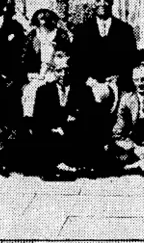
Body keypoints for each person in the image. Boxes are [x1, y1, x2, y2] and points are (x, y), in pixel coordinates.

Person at [32, 51, 96, 179]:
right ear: (52, 71)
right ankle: (55, 167)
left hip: (74, 138)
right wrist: (57, 127)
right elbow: (38, 120)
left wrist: (64, 127)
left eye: (66, 70)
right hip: (51, 137)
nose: (63, 75)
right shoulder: (43, 92)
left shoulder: (84, 90)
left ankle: (67, 166)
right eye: (59, 70)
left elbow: (89, 119)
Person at [71, 0, 138, 107]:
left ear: (111, 3)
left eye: (105, 0)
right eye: (98, 1)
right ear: (93, 4)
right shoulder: (81, 30)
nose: (102, 4)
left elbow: (131, 59)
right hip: (89, 84)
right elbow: (76, 61)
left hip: (118, 83)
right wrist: (88, 80)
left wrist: (118, 77)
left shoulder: (125, 30)